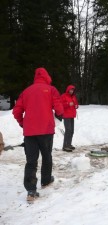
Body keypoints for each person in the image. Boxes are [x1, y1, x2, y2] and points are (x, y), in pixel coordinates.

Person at [12, 67, 64, 202]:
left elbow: (16, 111)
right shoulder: (51, 89)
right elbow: (58, 108)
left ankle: (31, 190)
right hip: (46, 130)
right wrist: (59, 115)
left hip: (30, 133)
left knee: (31, 161)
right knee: (47, 157)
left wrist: (23, 123)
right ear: (47, 77)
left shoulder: (26, 91)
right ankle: (46, 180)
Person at [61, 85, 79, 152]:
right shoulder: (63, 96)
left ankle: (69, 144)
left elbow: (76, 103)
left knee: (71, 131)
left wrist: (76, 106)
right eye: (71, 90)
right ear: (68, 89)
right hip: (66, 116)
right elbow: (61, 104)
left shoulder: (73, 96)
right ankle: (65, 146)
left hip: (72, 115)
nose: (72, 91)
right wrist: (68, 104)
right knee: (68, 130)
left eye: (73, 90)